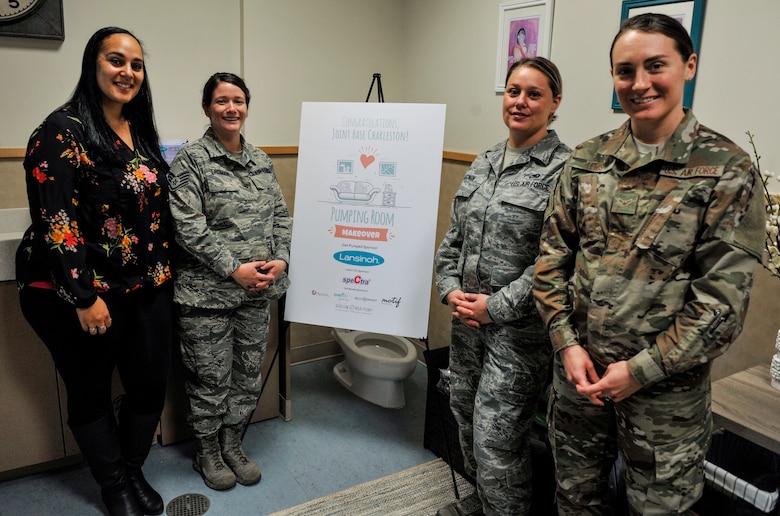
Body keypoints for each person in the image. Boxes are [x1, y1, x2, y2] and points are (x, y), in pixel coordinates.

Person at [532, 13, 766, 515]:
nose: (639, 84)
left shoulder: (726, 169)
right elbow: (551, 258)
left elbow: (721, 306)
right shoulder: (589, 158)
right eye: (624, 71)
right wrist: (565, 345)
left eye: (655, 65)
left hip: (665, 399)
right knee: (574, 500)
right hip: (579, 380)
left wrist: (640, 371)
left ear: (689, 66)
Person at [15, 27, 174, 516]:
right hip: (81, 292)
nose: (128, 72)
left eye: (136, 64)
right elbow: (54, 220)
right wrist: (83, 296)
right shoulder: (61, 131)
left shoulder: (139, 130)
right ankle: (113, 485)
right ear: (93, 64)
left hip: (144, 286)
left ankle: (131, 467)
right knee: (90, 389)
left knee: (149, 383)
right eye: (116, 60)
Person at [434, 57, 570, 516]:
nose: (520, 102)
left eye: (534, 94)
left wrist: (496, 306)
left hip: (520, 333)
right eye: (514, 91)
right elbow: (453, 238)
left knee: (498, 436)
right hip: (467, 321)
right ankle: (482, 500)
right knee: (465, 415)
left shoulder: (565, 172)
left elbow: (555, 263)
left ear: (555, 103)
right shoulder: (486, 160)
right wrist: (450, 289)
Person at [167, 72, 292, 491]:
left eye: (238, 100)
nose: (231, 108)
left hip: (256, 294)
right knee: (210, 378)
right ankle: (207, 451)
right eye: (222, 101)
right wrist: (232, 268)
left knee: (246, 375)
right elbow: (187, 226)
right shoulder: (191, 161)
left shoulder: (260, 159)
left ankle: (232, 443)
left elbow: (280, 217)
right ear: (207, 108)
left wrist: (281, 260)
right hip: (208, 296)